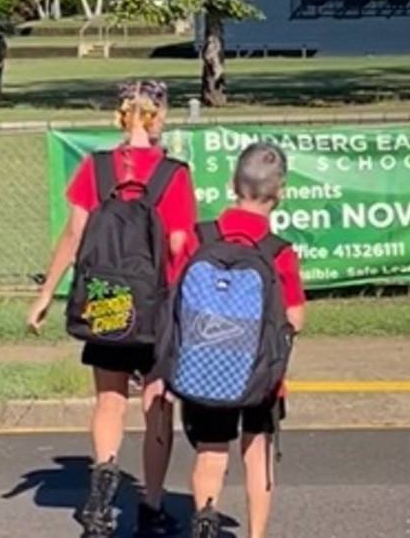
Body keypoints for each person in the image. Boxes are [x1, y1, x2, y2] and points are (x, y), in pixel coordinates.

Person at [27, 79, 196, 538]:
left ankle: (99, 504)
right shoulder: (173, 174)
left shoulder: (95, 168)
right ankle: (152, 505)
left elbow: (73, 234)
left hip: (106, 296)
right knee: (157, 401)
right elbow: (180, 242)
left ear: (120, 116)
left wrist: (46, 293)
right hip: (156, 301)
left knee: (108, 399)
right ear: (159, 116)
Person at [147, 141, 307, 538]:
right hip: (259, 375)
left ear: (232, 184)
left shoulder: (200, 237)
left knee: (211, 452)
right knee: (257, 453)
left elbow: (176, 300)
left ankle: (203, 519)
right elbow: (295, 318)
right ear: (280, 192)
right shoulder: (278, 252)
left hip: (204, 367)